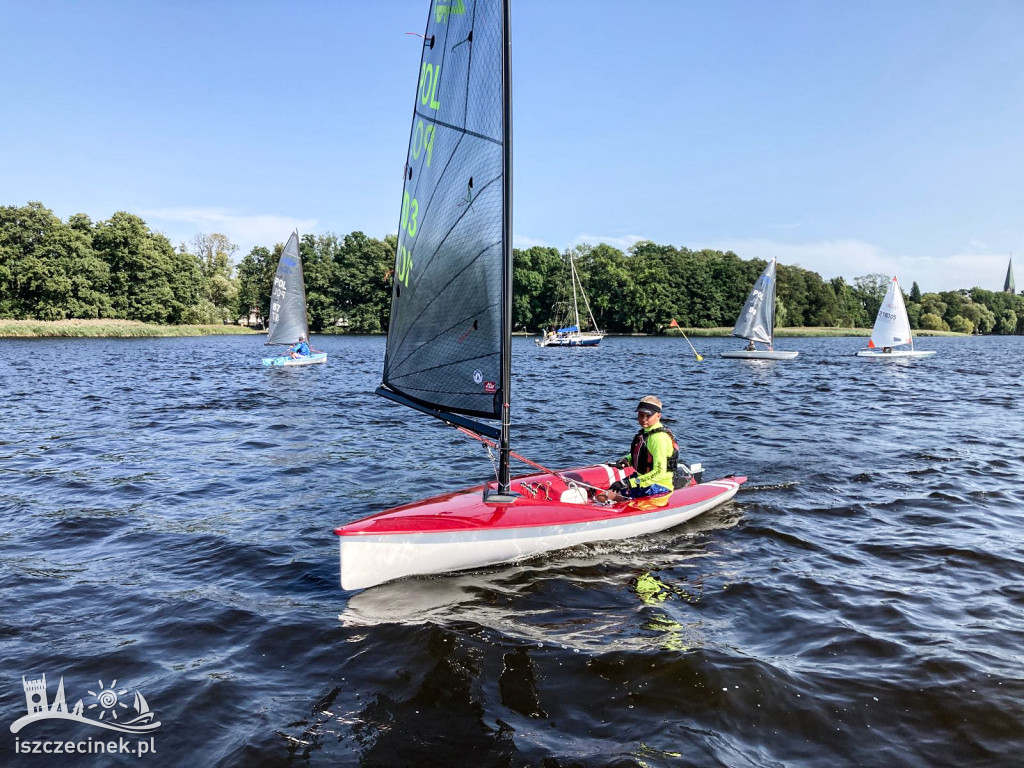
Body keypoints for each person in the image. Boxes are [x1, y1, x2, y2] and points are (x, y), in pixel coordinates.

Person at [598, 396, 680, 502]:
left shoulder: (659, 438)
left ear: (658, 416)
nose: (644, 420)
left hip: (658, 485)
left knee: (602, 497)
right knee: (603, 496)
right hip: (643, 478)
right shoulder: (647, 432)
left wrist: (630, 482)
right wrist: (627, 460)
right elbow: (643, 454)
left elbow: (659, 472)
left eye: (648, 416)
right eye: (641, 415)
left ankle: (624, 508)